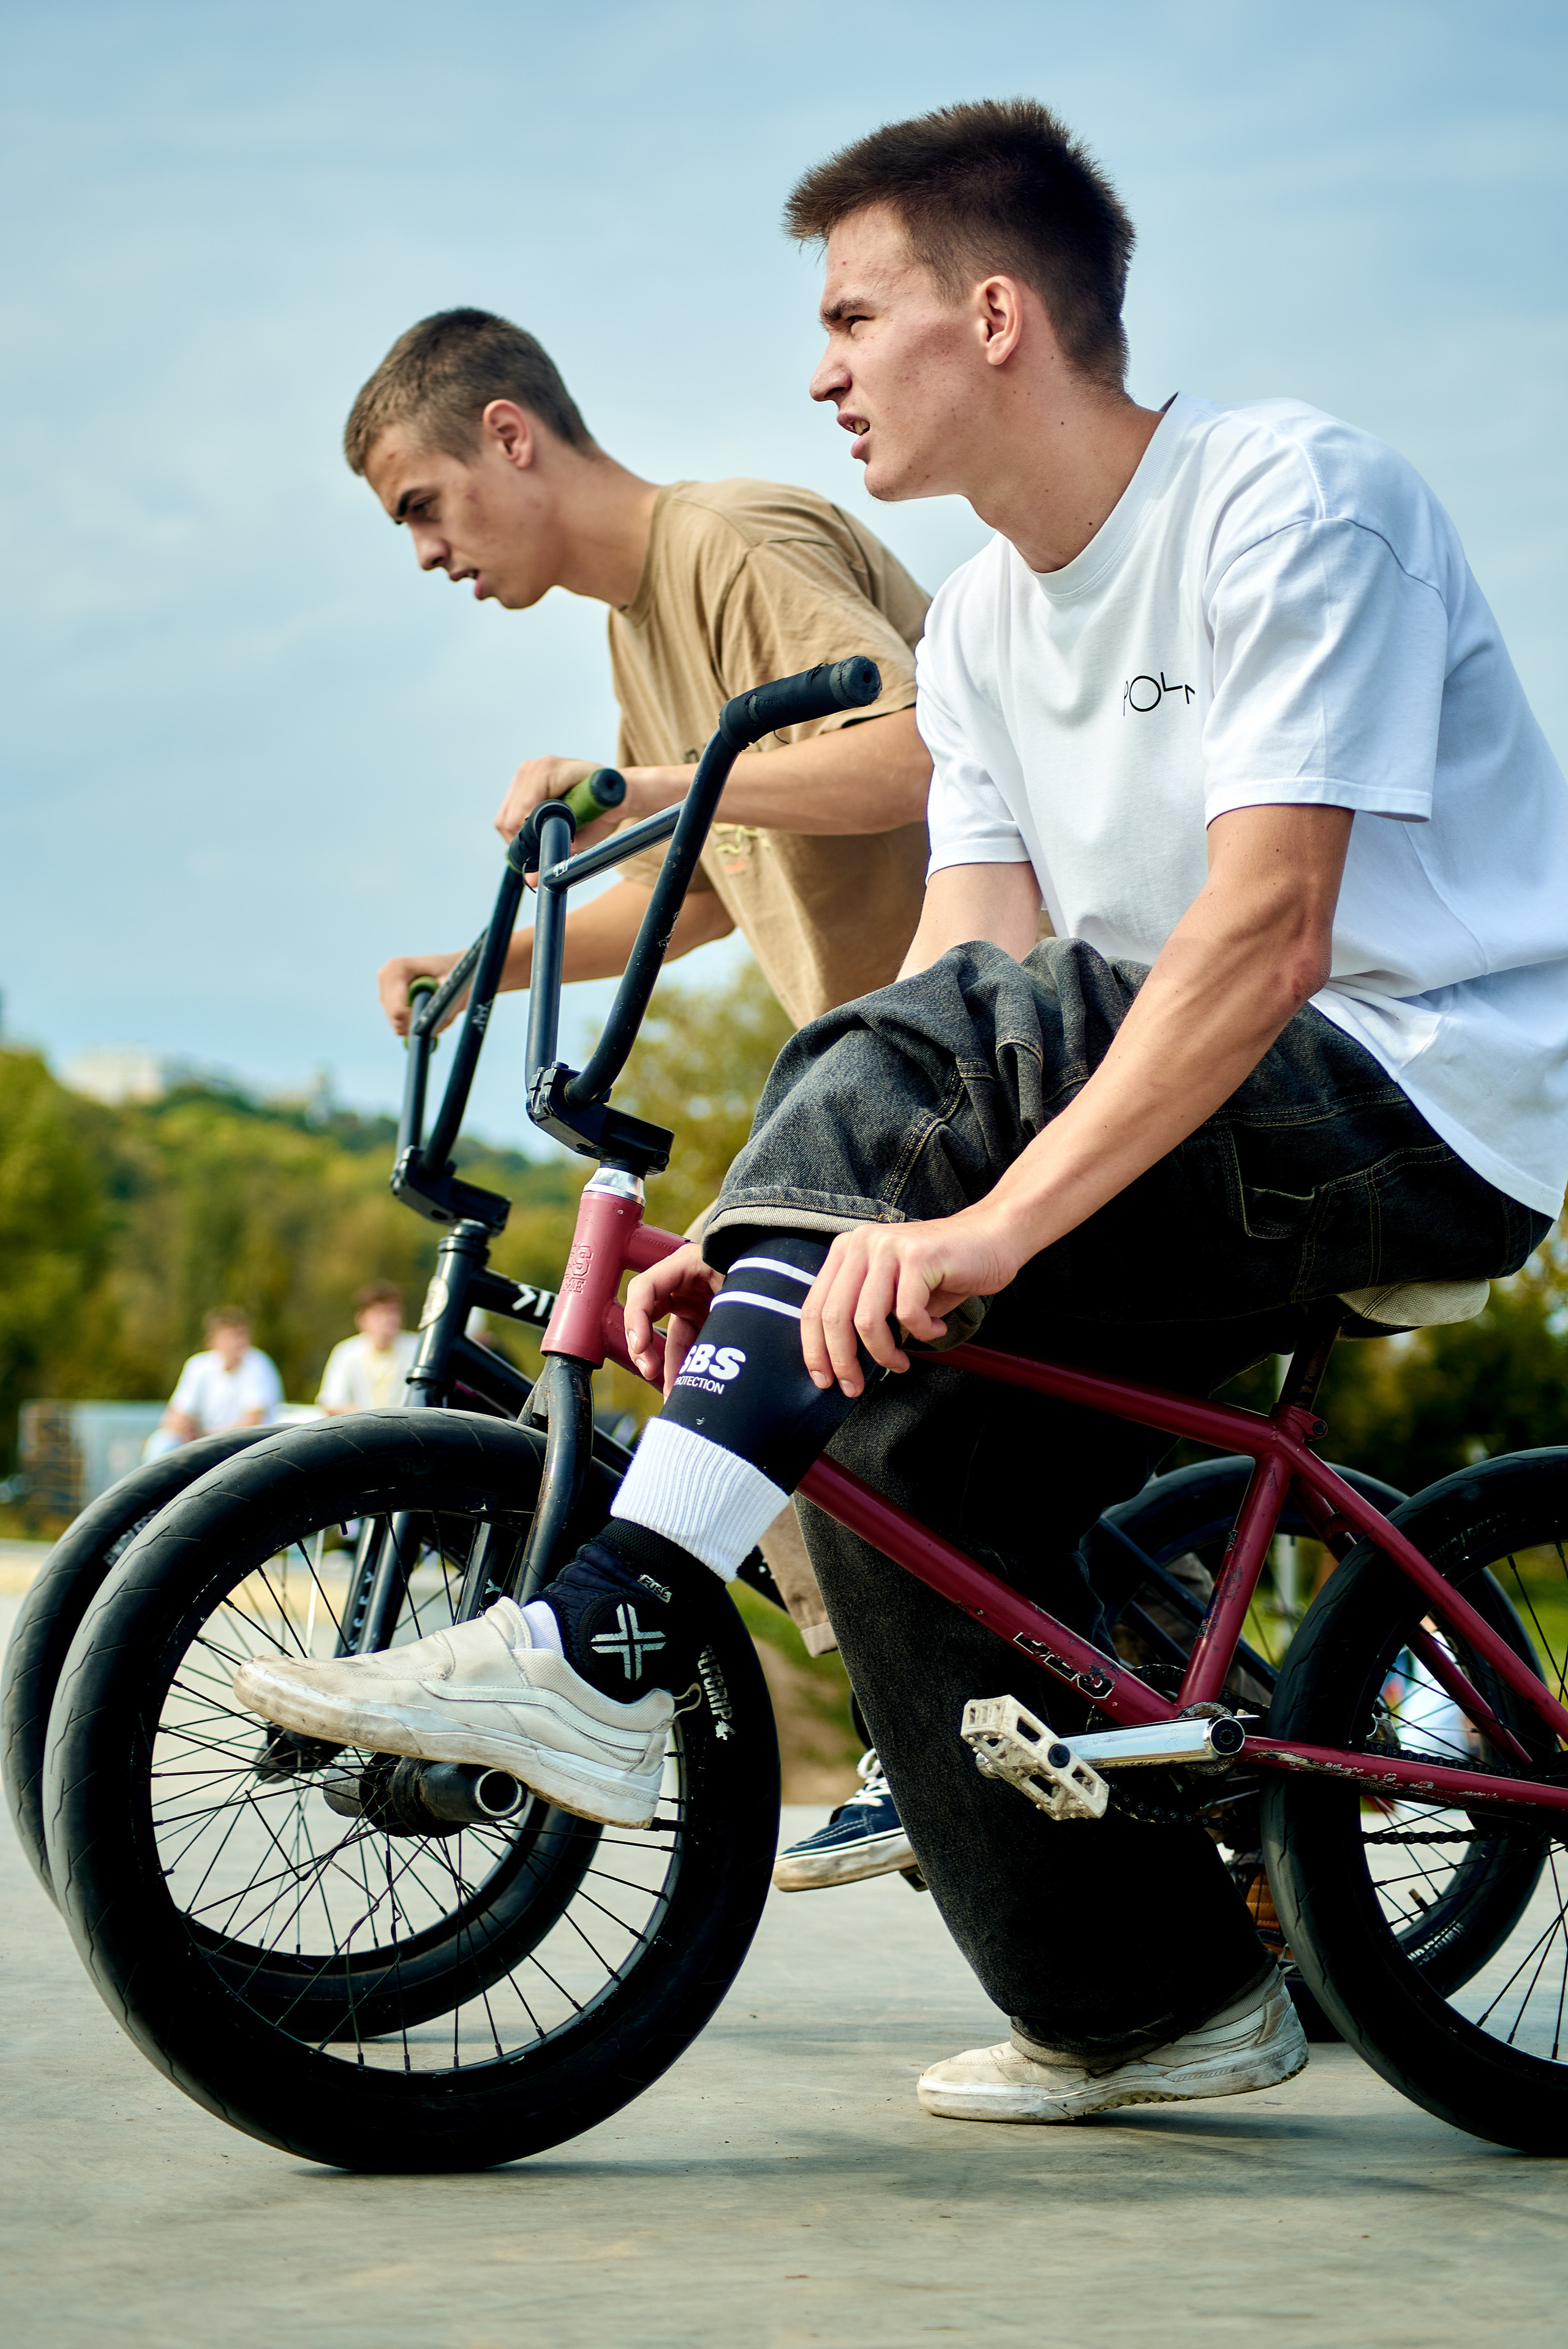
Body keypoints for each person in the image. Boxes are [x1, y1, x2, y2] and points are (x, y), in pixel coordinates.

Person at [235, 99, 1567, 2127]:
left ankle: (596, 1637)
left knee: (959, 1135)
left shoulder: (1294, 500)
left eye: (855, 315)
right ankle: (1148, 2003)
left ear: (998, 314)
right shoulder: (993, 636)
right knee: (872, 1426)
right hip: (1184, 1113)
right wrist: (762, 1253)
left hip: (1427, 1101)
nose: (817, 366)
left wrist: (988, 1227)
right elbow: (965, 972)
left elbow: (1270, 927)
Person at [349, 301, 937, 1874]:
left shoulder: (728, 541)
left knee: (772, 1357)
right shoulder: (637, 632)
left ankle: (918, 1729)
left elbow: (922, 749)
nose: (423, 552)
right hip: (875, 1074)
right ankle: (938, 1718)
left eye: (421, 503)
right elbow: (701, 887)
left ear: (509, 435)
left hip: (970, 1048)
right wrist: (486, 967)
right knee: (762, 1366)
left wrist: (660, 784)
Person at [160, 1308, 282, 1443]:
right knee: (163, 1443)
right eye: (231, 1337)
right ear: (213, 1341)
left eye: (242, 1335)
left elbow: (253, 1425)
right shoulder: (198, 1365)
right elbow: (174, 1417)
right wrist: (186, 1427)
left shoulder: (258, 1364)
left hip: (250, 1447)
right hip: (209, 1444)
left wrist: (205, 1436)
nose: (239, 1342)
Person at [317, 1280, 419, 1413]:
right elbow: (330, 1402)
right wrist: (365, 1417)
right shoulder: (347, 1352)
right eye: (380, 1313)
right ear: (362, 1319)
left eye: (394, 1311)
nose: (389, 1319)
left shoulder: (418, 1348)